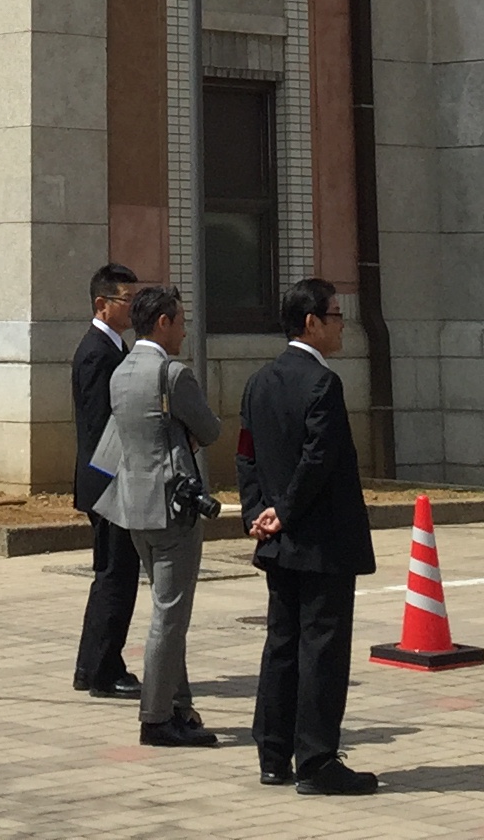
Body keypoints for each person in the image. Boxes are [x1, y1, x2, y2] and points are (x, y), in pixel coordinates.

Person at [239, 275, 379, 797]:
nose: (342, 325)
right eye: (336, 316)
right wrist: (284, 512)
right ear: (311, 322)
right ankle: (317, 759)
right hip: (319, 541)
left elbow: (245, 454)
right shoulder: (323, 384)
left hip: (278, 540)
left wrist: (259, 512)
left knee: (282, 643)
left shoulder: (259, 382)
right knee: (322, 648)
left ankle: (273, 752)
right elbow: (319, 461)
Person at [91, 284, 224, 747]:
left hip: (132, 508)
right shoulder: (172, 374)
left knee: (169, 610)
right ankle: (156, 716)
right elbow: (210, 428)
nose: (185, 331)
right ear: (163, 323)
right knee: (169, 616)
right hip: (173, 508)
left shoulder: (122, 371)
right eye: (181, 322)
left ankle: (178, 705)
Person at [72, 260, 145, 697]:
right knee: (115, 577)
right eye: (127, 301)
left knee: (116, 576)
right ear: (103, 305)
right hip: (108, 482)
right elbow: (102, 425)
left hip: (112, 482)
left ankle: (96, 665)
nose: (133, 309)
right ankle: (100, 671)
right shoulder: (97, 353)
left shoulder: (115, 347)